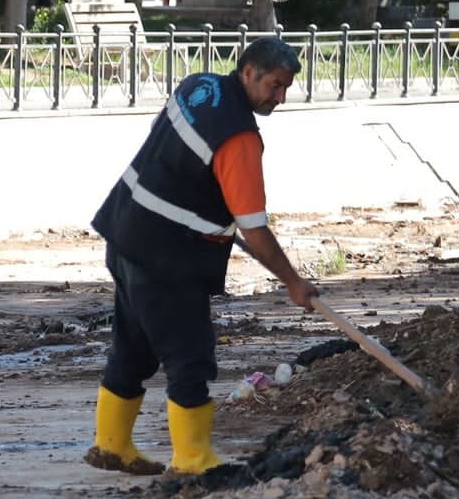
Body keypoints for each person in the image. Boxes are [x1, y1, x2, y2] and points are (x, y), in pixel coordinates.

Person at [87, 36, 320, 475]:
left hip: (125, 230)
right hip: (166, 257)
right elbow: (252, 225)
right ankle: (194, 460)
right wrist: (292, 281)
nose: (280, 98)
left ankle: (111, 445)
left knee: (133, 347)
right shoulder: (239, 138)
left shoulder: (199, 86)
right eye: (274, 85)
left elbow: (168, 146)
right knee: (190, 357)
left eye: (286, 88)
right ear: (248, 72)